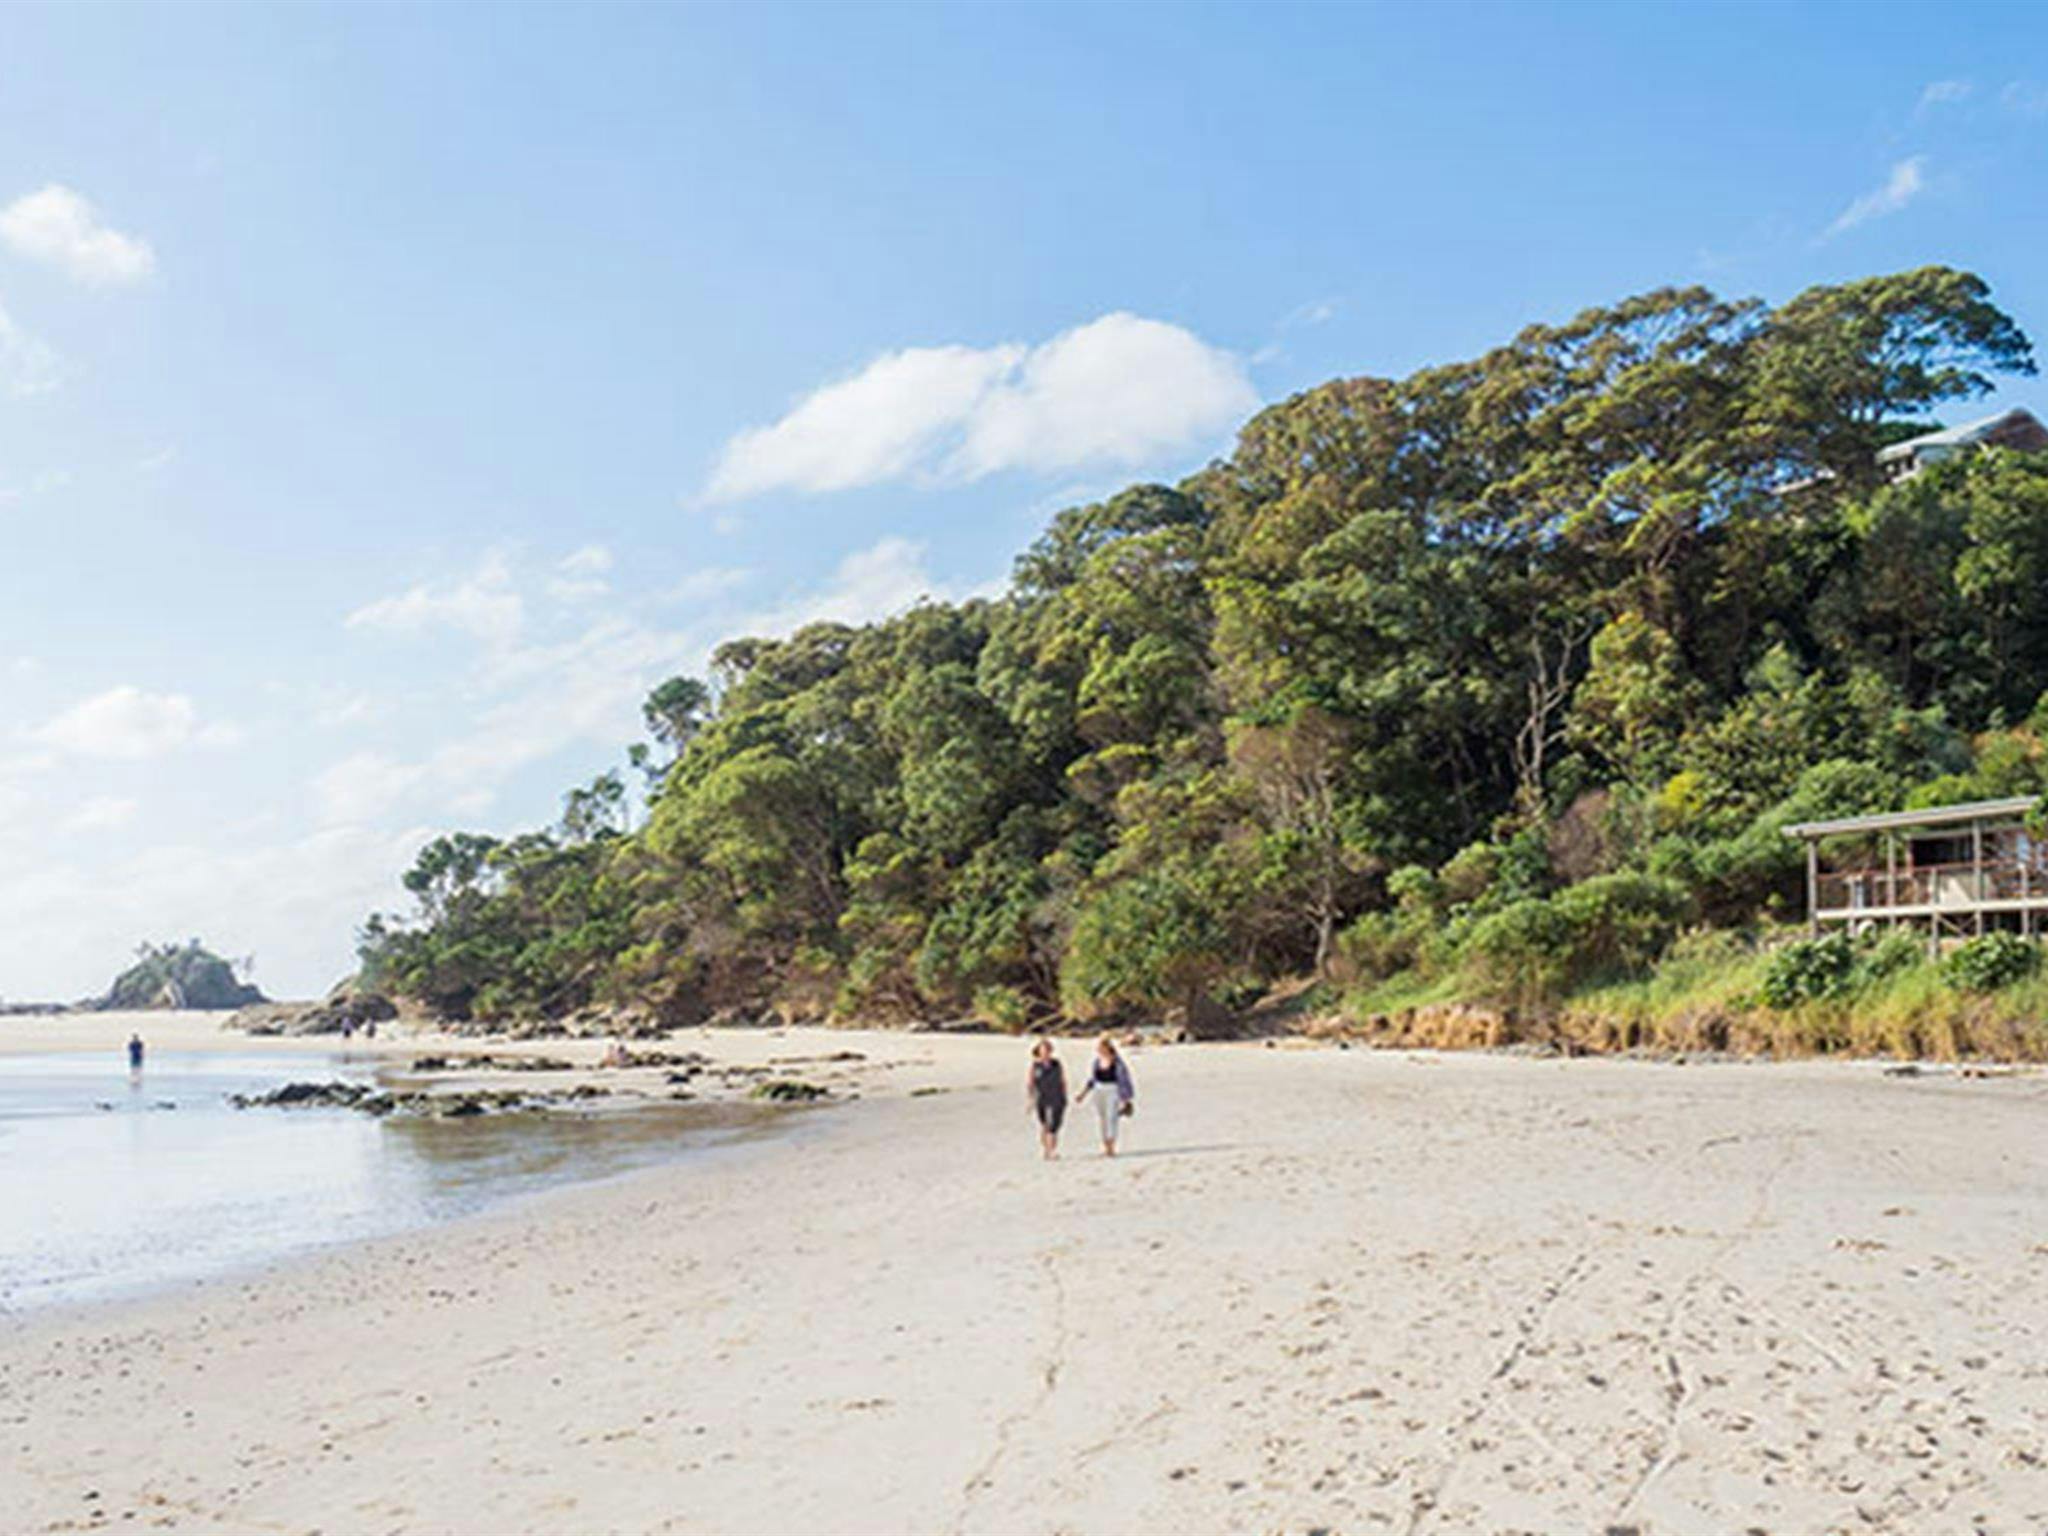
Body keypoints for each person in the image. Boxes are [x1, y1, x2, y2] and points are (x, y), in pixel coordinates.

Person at [1074, 1034, 1134, 1157]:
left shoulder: (1117, 1063)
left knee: (1112, 1118)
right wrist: (1083, 1094)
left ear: (1108, 1048)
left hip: (1113, 1089)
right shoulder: (1097, 1062)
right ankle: (1106, 1146)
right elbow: (1093, 1079)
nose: (1099, 1051)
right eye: (1098, 1049)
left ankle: (1111, 1147)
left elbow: (1123, 1080)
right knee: (1103, 1119)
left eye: (1101, 1048)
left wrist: (1126, 1098)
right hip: (1098, 1090)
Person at [1026, 1036, 1067, 1160]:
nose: (1045, 1053)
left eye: (1047, 1050)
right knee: (1045, 1124)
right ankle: (1047, 1149)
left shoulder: (1056, 1064)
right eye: (1042, 1051)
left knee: (1054, 1125)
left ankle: (1051, 1150)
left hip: (1057, 1096)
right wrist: (1030, 1100)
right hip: (1042, 1097)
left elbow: (1063, 1080)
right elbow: (1030, 1083)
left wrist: (1064, 1096)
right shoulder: (1035, 1066)